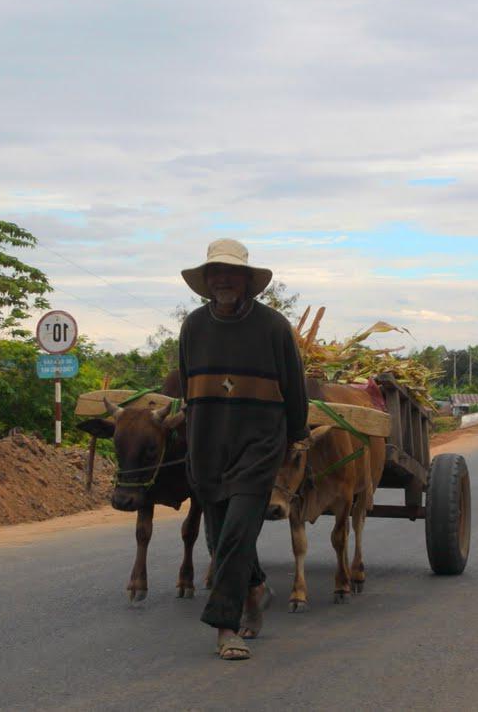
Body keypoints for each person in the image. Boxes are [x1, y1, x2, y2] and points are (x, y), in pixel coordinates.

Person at [178, 238, 309, 660]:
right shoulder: (193, 327)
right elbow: (187, 388)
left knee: (236, 533)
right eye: (216, 273)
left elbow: (295, 388)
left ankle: (225, 627)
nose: (223, 280)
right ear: (207, 281)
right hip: (206, 446)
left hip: (259, 446)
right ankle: (255, 588)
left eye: (231, 273)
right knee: (220, 539)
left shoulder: (273, 327)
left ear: (247, 281)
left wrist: (295, 436)